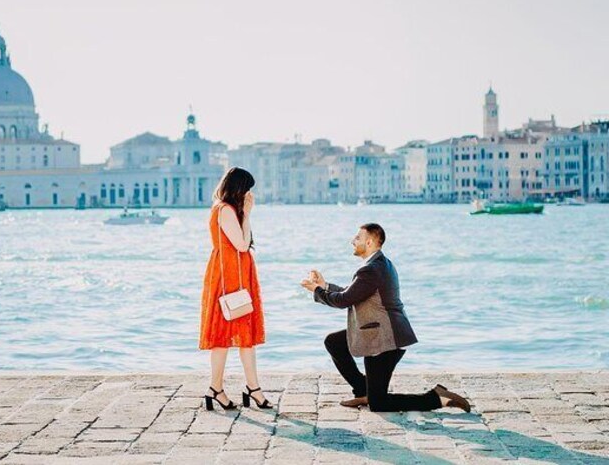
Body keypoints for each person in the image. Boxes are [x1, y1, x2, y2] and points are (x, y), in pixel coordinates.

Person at [300, 223, 470, 413]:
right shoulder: (378, 264)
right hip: (382, 331)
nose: (353, 241)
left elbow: (344, 301)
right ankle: (363, 391)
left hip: (385, 339)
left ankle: (436, 397)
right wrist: (325, 286)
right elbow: (353, 294)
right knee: (334, 342)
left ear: (370, 242)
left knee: (379, 404)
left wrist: (316, 290)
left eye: (357, 238)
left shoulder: (371, 269)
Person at [199, 167, 272, 411]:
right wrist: (248, 215)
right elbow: (241, 244)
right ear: (239, 189)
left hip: (234, 274)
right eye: (247, 190)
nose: (249, 195)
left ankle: (240, 388)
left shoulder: (225, 209)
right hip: (230, 277)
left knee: (242, 336)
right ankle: (222, 388)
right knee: (225, 335)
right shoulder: (226, 210)